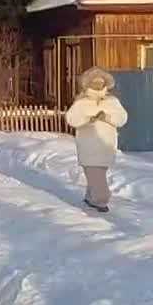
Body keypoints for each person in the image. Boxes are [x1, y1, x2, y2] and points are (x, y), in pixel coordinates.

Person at [64, 67, 128, 213]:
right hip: (88, 147)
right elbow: (71, 119)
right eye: (94, 83)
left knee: (98, 174)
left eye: (101, 82)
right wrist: (88, 119)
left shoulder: (112, 101)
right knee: (96, 175)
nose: (98, 85)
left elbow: (122, 118)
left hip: (106, 146)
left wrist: (107, 117)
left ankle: (90, 197)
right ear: (88, 84)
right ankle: (100, 200)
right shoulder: (82, 102)